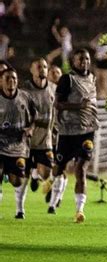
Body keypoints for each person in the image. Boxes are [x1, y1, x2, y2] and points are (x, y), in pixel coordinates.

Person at [47, 49, 99, 223]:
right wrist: (78, 105)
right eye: (80, 59)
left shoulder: (92, 78)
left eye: (87, 58)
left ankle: (79, 210)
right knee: (59, 168)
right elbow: (58, 104)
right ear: (73, 61)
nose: (84, 62)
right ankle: (52, 183)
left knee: (81, 169)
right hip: (68, 131)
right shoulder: (67, 79)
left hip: (87, 130)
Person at [0, 67, 36, 219]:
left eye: (14, 78)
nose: (11, 81)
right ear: (1, 81)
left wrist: (30, 128)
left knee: (17, 181)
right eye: (7, 78)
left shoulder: (25, 97)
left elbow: (35, 116)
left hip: (18, 147)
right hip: (0, 145)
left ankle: (19, 206)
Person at [20, 58, 56, 205]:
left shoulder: (53, 88)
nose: (42, 69)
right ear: (32, 70)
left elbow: (57, 110)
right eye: (39, 67)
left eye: (45, 67)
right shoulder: (25, 90)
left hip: (45, 138)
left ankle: (37, 175)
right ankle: (20, 210)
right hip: (27, 139)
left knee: (46, 172)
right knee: (22, 176)